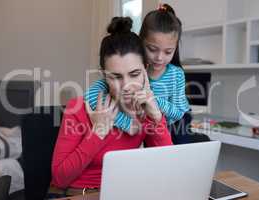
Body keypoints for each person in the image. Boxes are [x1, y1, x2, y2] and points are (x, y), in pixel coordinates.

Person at [48, 17, 172, 198]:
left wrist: (156, 118)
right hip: (79, 194)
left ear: (145, 70)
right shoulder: (79, 108)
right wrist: (98, 133)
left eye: (134, 74)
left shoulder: (146, 109)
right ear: (104, 76)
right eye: (116, 77)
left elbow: (167, 165)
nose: (126, 86)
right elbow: (60, 178)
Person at [85, 4, 197, 144]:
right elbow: (90, 96)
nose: (159, 58)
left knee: (180, 150)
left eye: (168, 52)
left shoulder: (176, 74)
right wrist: (125, 122)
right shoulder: (126, 70)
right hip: (148, 124)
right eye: (152, 49)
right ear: (141, 43)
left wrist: (153, 101)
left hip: (176, 122)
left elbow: (178, 112)